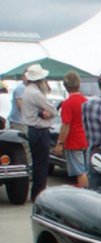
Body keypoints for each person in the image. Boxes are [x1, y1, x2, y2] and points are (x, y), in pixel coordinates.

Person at [21, 63, 57, 202]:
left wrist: (42, 112)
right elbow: (52, 110)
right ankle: (38, 194)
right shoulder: (36, 93)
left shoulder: (27, 91)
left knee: (38, 163)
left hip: (33, 128)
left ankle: (36, 192)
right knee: (42, 164)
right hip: (40, 130)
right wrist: (44, 113)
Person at [54, 71, 89, 188]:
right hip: (86, 140)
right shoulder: (86, 101)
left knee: (79, 172)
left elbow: (66, 125)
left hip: (74, 141)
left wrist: (60, 143)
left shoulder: (67, 103)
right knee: (85, 169)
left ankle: (84, 194)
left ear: (66, 86)